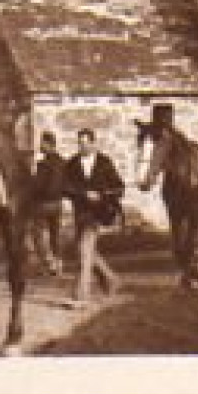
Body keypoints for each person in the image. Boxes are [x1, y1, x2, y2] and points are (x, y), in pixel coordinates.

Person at [63, 127, 123, 307]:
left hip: (100, 213)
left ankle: (80, 297)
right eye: (79, 143)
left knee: (84, 250)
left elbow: (119, 188)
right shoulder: (72, 163)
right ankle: (112, 280)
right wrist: (83, 194)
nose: (82, 146)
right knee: (86, 251)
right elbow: (64, 187)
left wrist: (102, 195)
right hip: (80, 213)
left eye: (86, 143)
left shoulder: (105, 162)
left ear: (93, 143)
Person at [27, 131, 67, 276]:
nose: (40, 146)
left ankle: (49, 263)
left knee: (36, 234)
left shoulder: (43, 164)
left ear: (48, 144)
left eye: (42, 143)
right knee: (55, 234)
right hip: (58, 203)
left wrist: (31, 187)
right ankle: (58, 264)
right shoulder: (63, 162)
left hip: (43, 204)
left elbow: (38, 185)